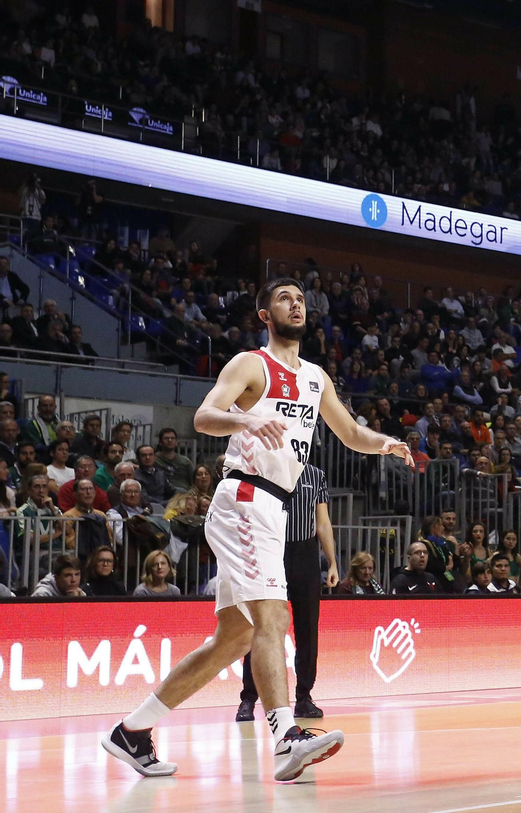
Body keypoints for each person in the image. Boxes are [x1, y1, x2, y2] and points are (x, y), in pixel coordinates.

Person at [101, 277, 416, 783]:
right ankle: (286, 736)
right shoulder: (251, 363)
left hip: (275, 506)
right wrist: (246, 422)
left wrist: (386, 444)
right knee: (274, 618)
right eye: (285, 299)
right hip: (245, 496)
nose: (296, 305)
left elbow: (352, 433)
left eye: (301, 299)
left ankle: (132, 731)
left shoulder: (315, 377)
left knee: (235, 638)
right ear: (266, 315)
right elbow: (204, 417)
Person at [237, 463, 337, 722]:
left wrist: (332, 562)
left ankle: (304, 697)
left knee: (307, 628)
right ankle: (248, 699)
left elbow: (322, 522)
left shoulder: (317, 474)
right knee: (262, 625)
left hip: (305, 553)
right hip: (271, 550)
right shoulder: (264, 469)